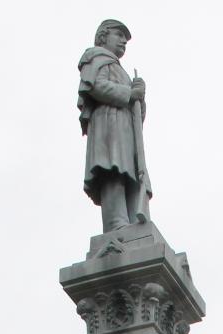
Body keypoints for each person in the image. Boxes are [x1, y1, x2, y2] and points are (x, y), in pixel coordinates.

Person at [78, 20, 149, 232]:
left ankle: (133, 223)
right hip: (107, 125)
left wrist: (140, 97)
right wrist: (129, 93)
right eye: (118, 35)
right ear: (103, 36)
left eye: (125, 39)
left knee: (130, 175)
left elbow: (137, 115)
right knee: (113, 170)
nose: (123, 41)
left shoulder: (122, 72)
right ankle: (116, 223)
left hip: (125, 129)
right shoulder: (95, 58)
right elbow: (96, 86)